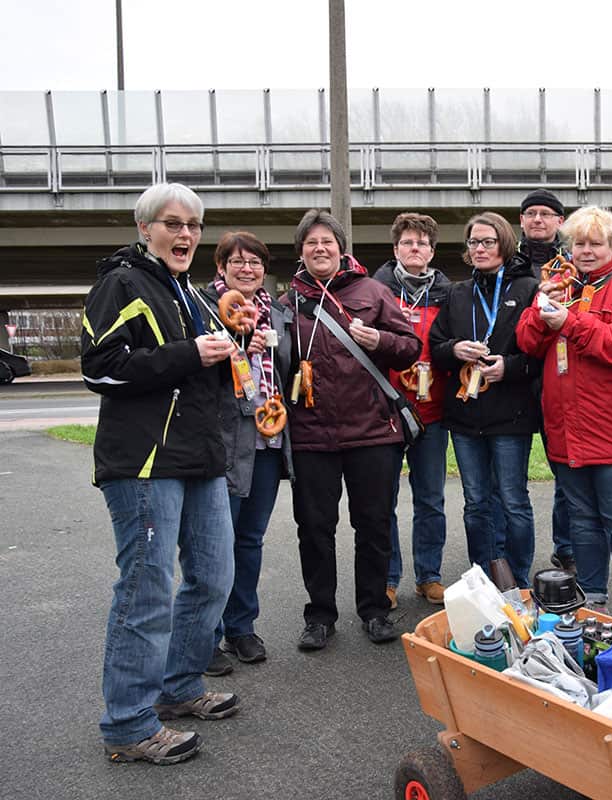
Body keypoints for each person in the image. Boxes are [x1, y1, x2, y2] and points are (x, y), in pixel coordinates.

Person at [82, 182, 239, 765]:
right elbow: (100, 369)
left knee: (213, 579)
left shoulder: (191, 292)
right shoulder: (120, 283)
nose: (185, 234)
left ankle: (177, 689)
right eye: (172, 223)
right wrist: (191, 355)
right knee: (147, 590)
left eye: (193, 225)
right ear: (145, 228)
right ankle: (127, 723)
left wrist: (237, 347)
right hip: (144, 462)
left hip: (199, 458)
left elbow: (200, 372)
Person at [281, 209, 420, 650]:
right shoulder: (286, 303)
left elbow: (410, 348)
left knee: (374, 524)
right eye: (311, 242)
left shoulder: (374, 292)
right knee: (315, 528)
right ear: (301, 251)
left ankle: (375, 609)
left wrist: (381, 341)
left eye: (327, 241)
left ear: (342, 249)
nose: (319, 248)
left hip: (373, 432)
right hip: (310, 435)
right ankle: (319, 615)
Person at [517, 206, 612, 619]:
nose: (586, 250)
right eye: (579, 243)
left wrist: (568, 323)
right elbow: (527, 343)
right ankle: (593, 596)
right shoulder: (559, 284)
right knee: (581, 520)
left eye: (596, 243)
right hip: (567, 429)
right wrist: (543, 312)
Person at [428, 212, 541, 587]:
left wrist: (507, 368)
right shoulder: (458, 292)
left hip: (510, 414)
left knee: (513, 501)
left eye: (487, 242)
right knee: (476, 504)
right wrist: (455, 348)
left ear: (504, 244)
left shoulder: (528, 289)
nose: (479, 249)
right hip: (464, 416)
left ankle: (518, 581)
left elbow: (539, 352)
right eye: (474, 242)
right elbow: (436, 346)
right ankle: (484, 577)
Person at [198, 231, 292, 676]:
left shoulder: (276, 310)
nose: (247, 268)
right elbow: (196, 369)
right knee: (216, 544)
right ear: (221, 267)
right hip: (226, 440)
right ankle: (207, 636)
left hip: (269, 440)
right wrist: (239, 348)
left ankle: (241, 627)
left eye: (255, 261)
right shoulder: (203, 310)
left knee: (250, 540)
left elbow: (289, 366)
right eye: (237, 261)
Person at [372, 213, 453, 607]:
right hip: (386, 412)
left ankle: (429, 576)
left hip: (433, 413)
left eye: (421, 243)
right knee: (383, 500)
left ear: (432, 252)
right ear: (396, 250)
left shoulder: (448, 293)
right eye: (407, 243)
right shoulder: (374, 291)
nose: (414, 248)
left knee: (430, 499)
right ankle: (388, 579)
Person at [517, 188, 575, 575]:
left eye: (546, 214)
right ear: (521, 221)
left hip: (563, 378)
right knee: (508, 481)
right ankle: (509, 556)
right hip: (513, 380)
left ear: (559, 222)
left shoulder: (576, 264)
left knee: (568, 471)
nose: (538, 219)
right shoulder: (506, 261)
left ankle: (567, 549)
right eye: (531, 213)